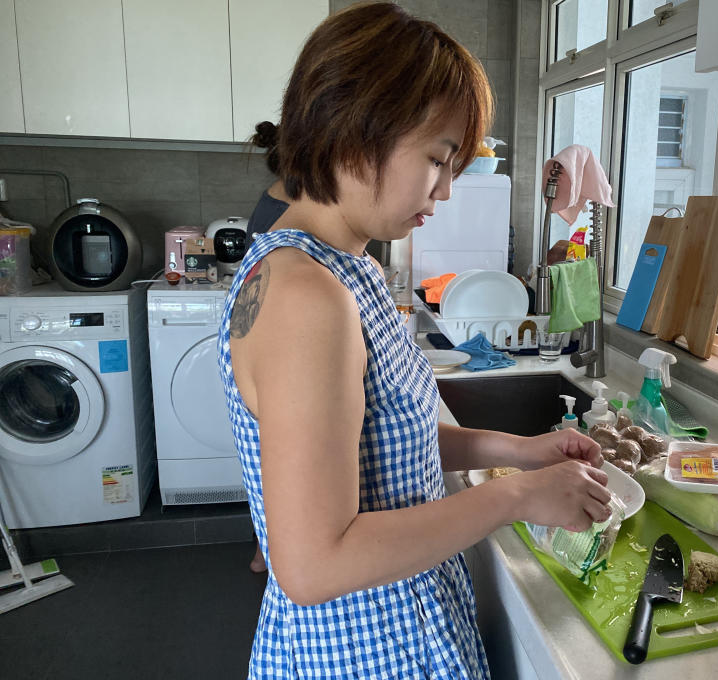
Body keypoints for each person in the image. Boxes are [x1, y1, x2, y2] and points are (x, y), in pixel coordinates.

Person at [218, 4, 612, 678]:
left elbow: (380, 442)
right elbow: (314, 565)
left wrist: (519, 454)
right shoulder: (305, 296)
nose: (448, 190)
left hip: (408, 631)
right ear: (355, 128)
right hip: (356, 656)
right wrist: (515, 498)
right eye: (437, 158)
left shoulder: (353, 268)